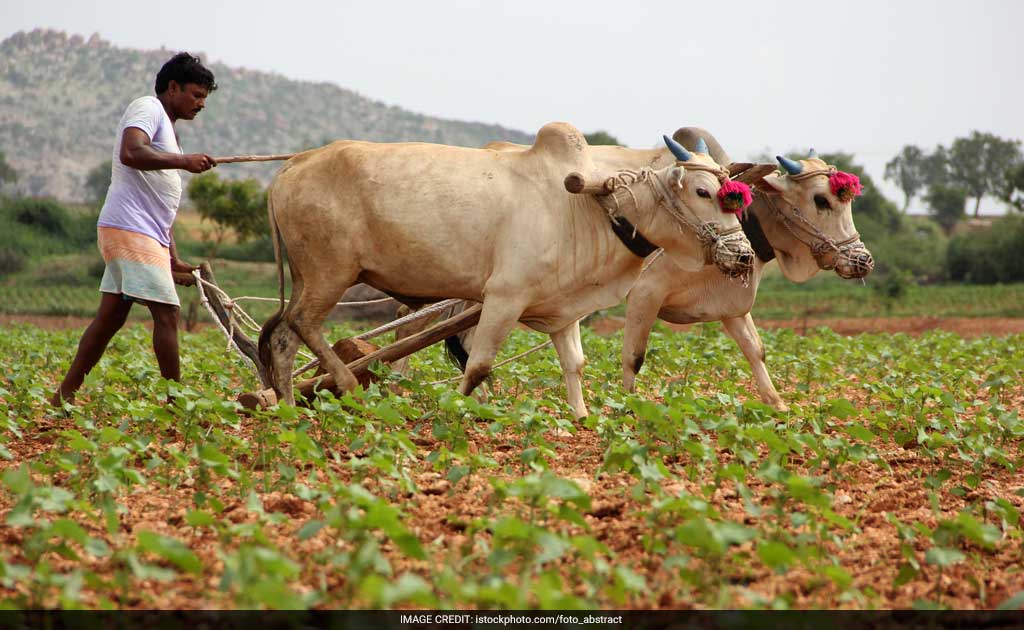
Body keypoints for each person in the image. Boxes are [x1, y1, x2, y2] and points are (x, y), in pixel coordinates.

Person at [51, 52, 218, 406]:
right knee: (168, 313)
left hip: (142, 231)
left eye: (204, 98)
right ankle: (175, 404)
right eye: (195, 94)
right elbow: (131, 152)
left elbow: (159, 204)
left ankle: (63, 397)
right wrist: (184, 162)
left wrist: (171, 259)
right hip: (129, 228)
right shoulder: (148, 108)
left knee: (110, 318)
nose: (201, 104)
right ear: (172, 88)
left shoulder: (169, 130)